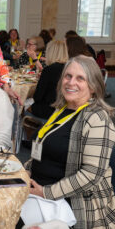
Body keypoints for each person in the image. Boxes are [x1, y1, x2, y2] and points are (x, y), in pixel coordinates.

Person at [23, 55, 115, 228]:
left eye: (80, 78)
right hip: (38, 192)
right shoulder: (61, 109)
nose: (71, 82)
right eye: (68, 76)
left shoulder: (98, 119)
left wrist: (46, 192)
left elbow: (90, 175)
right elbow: (44, 148)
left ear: (94, 86)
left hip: (73, 203)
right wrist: (25, 171)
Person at [29, 40, 68, 120]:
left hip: (50, 111)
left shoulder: (49, 70)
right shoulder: (70, 68)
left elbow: (37, 97)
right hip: (65, 111)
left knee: (22, 107)